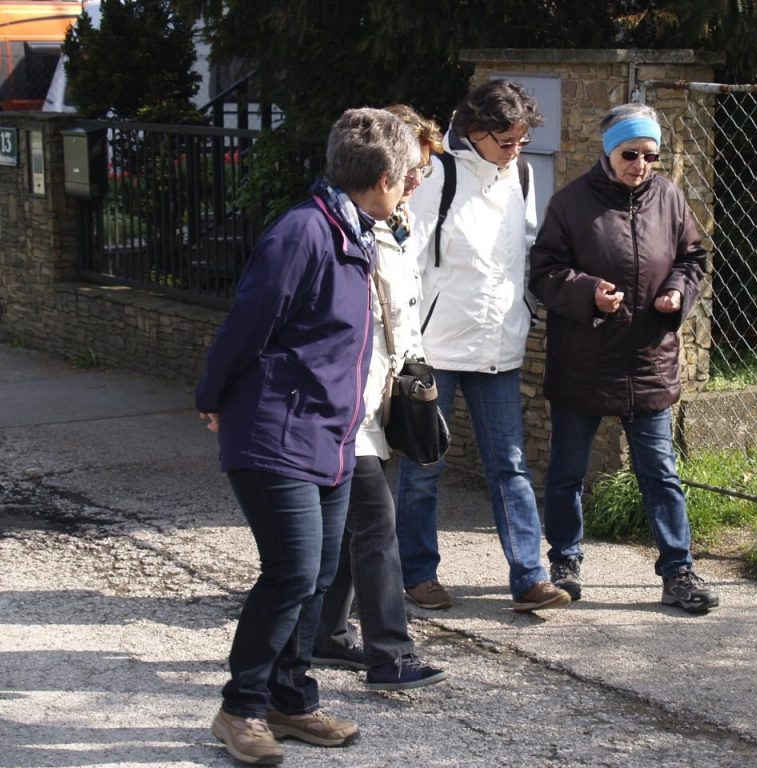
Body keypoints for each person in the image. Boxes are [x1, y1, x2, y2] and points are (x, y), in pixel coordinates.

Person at [195, 108, 421, 766]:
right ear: (381, 178)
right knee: (292, 570)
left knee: (319, 575)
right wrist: (211, 397)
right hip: (277, 431)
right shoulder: (304, 232)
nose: (411, 188)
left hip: (332, 433)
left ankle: (289, 702)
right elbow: (247, 322)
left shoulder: (357, 231)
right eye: (407, 178)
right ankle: (240, 709)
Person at [528, 103, 720, 613]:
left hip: (648, 357)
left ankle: (678, 571)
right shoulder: (570, 204)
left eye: (651, 155)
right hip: (584, 360)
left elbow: (692, 259)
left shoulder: (670, 198)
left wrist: (678, 293)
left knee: (660, 472)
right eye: (630, 154)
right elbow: (543, 272)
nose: (641, 165)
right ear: (608, 151)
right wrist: (588, 292)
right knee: (568, 471)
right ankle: (564, 563)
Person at [396, 80, 571, 613]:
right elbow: (409, 259)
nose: (517, 149)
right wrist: (408, 345)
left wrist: (523, 312)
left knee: (511, 466)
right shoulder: (438, 177)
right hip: (434, 349)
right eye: (506, 140)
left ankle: (529, 578)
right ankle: (418, 574)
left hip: (498, 346)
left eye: (521, 139)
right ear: (474, 132)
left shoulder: (520, 174)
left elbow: (522, 247)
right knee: (424, 466)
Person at [313, 105, 448, 691]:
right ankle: (389, 654)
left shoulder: (401, 225)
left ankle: (324, 634)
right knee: (376, 525)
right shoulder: (344, 227)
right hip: (345, 405)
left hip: (379, 398)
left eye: (424, 169)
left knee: (348, 527)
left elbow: (402, 317)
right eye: (413, 167)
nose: (419, 178)